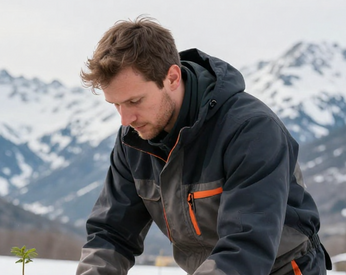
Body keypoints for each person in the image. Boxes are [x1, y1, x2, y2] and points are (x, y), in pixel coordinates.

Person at [76, 16, 331, 275]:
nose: (125, 119)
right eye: (115, 104)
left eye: (135, 101)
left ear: (172, 78)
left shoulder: (251, 131)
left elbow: (246, 246)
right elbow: (110, 234)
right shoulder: (133, 140)